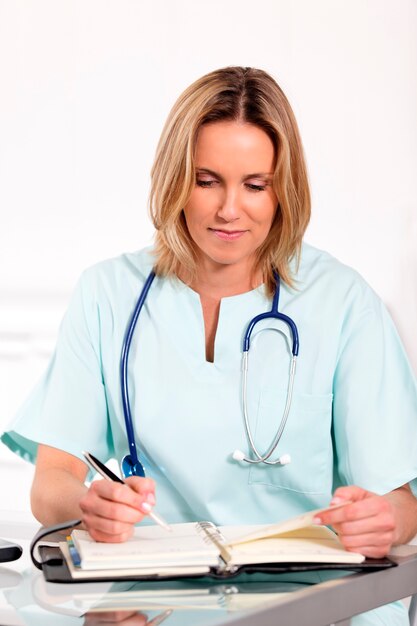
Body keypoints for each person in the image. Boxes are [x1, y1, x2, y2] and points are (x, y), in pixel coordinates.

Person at [2, 67, 417, 562]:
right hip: (154, 594)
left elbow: (401, 504)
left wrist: (383, 520)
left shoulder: (344, 303)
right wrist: (91, 505)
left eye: (256, 185)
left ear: (284, 189)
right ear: (175, 179)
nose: (229, 209)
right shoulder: (107, 294)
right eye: (207, 181)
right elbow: (52, 483)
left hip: (302, 599)